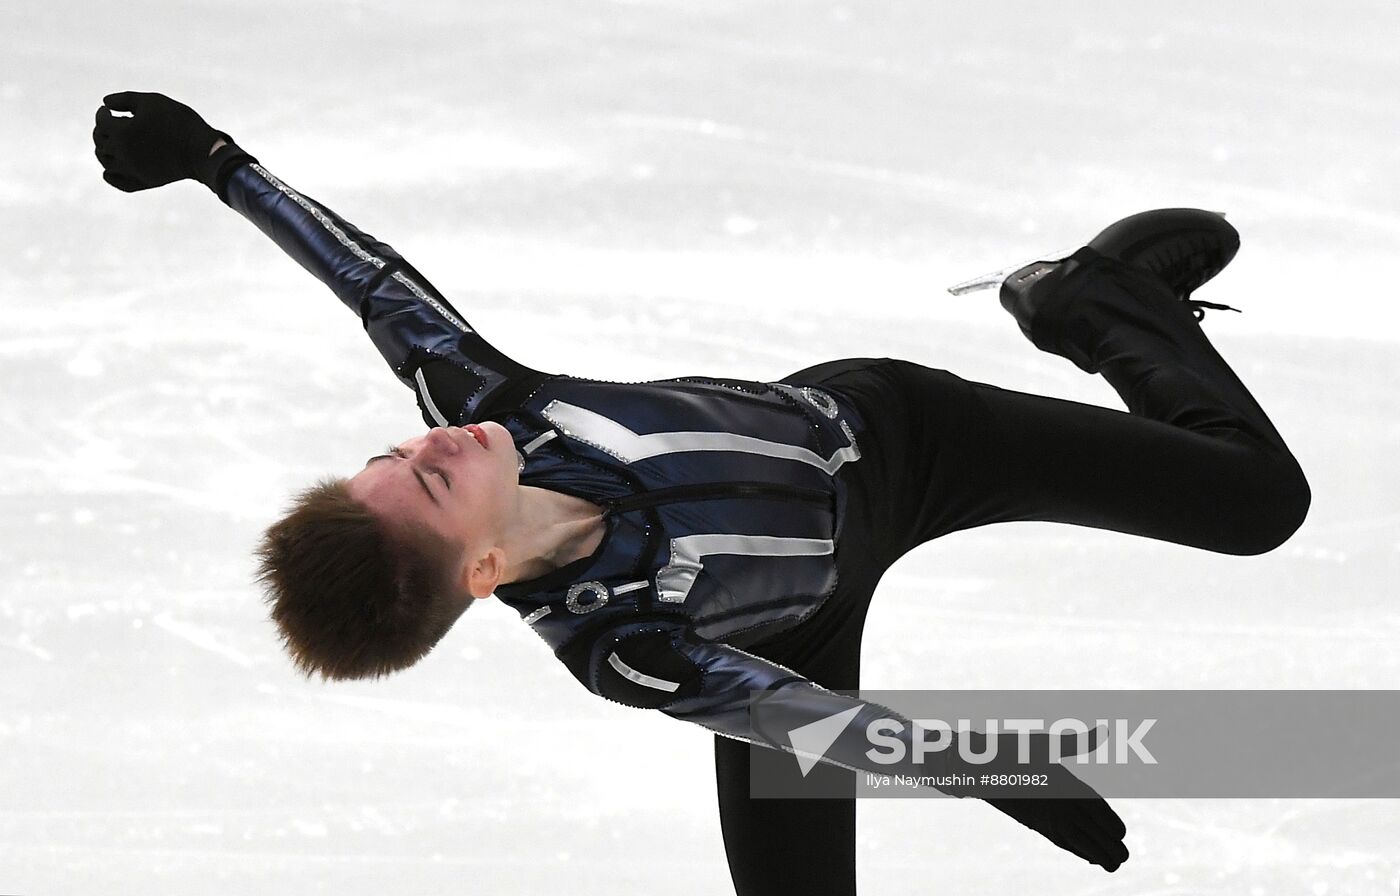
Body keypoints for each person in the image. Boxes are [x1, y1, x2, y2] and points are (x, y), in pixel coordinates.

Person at [93, 91, 1310, 894]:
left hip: (903, 437)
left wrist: (214, 163)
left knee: (1259, 503)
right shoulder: (619, 641)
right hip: (796, 634)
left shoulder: (492, 402)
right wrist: (1009, 775)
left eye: (394, 450)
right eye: (427, 479)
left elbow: (368, 282)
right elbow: (813, 720)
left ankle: (1091, 298)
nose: (436, 441)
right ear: (476, 571)